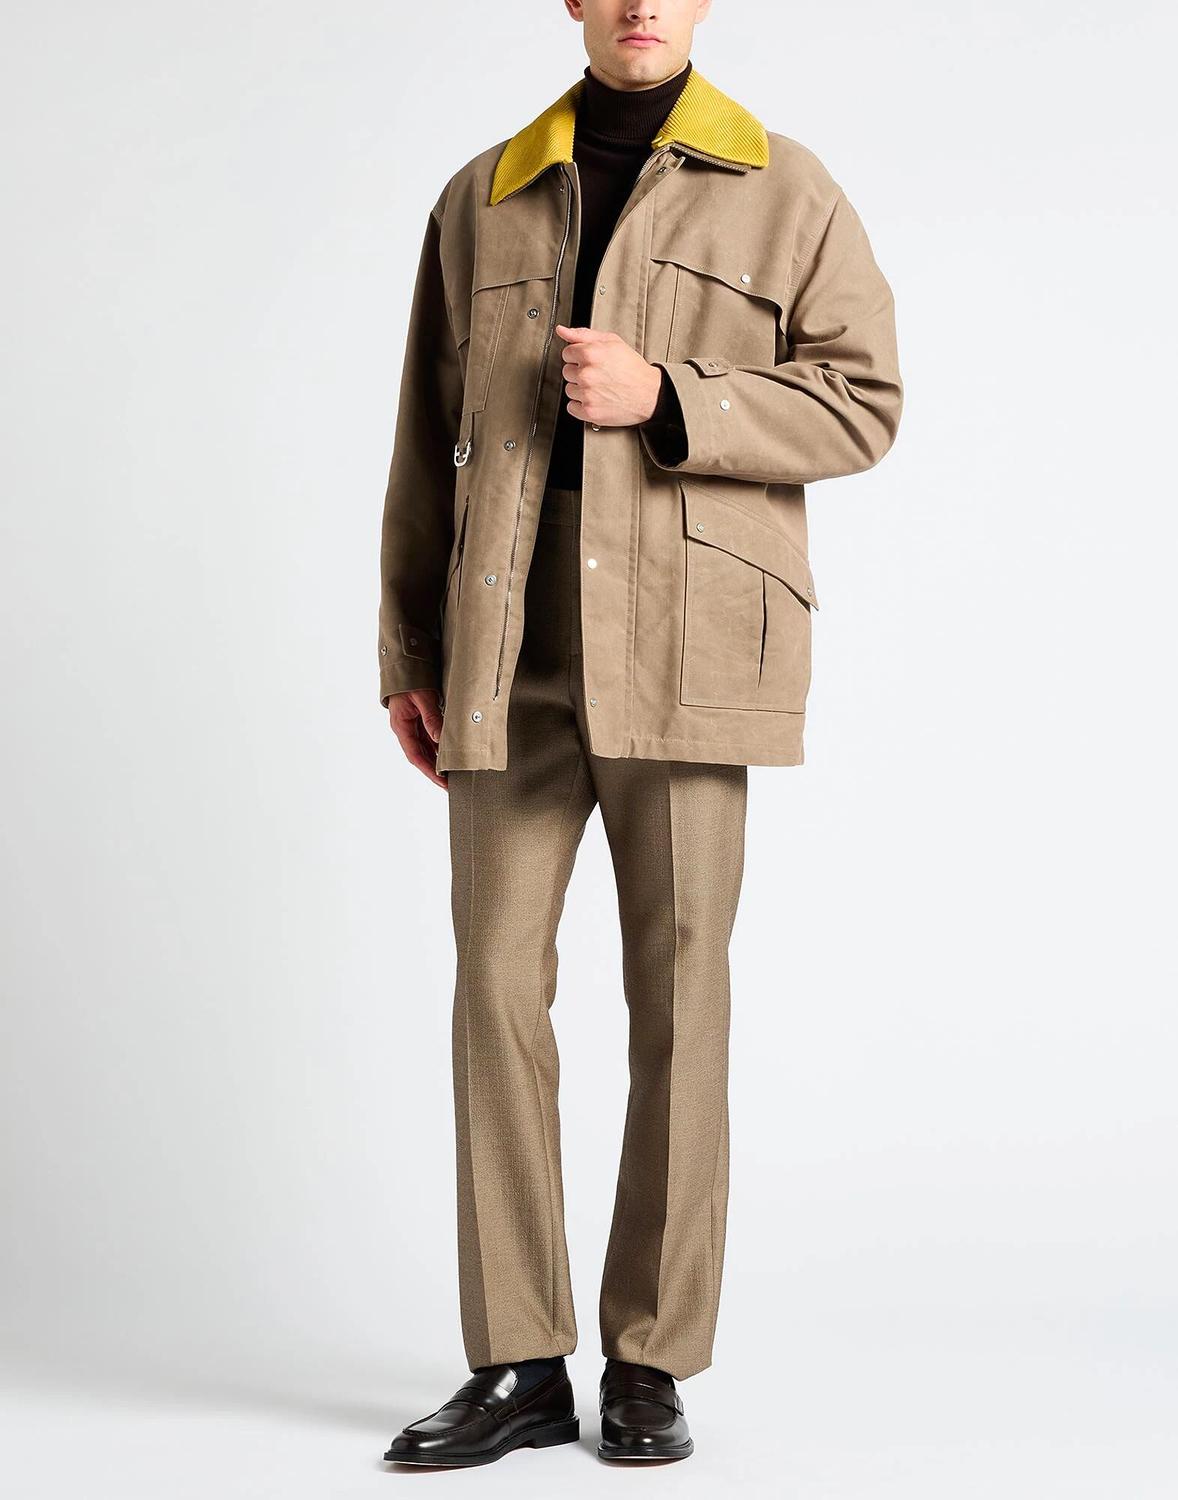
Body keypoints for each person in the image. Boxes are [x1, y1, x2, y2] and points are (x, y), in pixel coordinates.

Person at [378, 0, 902, 1468]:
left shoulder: (784, 185)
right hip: (505, 653)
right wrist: (409, 653)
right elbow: (423, 434)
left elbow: (865, 404)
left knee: (679, 998)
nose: (639, 3)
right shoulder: (482, 194)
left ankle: (649, 1361)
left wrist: (671, 395)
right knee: (493, 992)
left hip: (684, 647)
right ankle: (517, 1363)